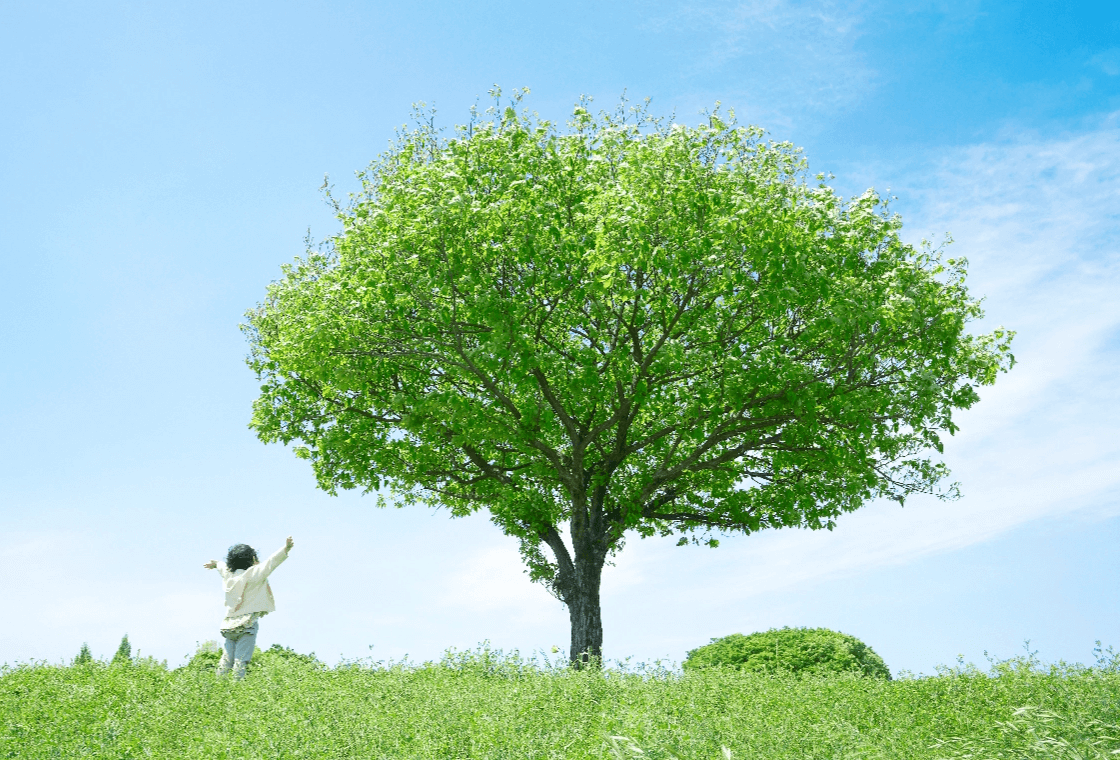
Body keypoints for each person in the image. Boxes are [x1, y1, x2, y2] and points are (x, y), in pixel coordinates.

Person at [203, 536, 293, 680]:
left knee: (226, 660)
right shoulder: (254, 574)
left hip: (229, 625)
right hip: (246, 624)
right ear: (251, 558)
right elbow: (271, 562)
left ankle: (218, 686)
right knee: (241, 660)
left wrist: (216, 563)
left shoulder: (229, 576)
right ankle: (236, 688)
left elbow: (222, 568)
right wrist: (285, 549)